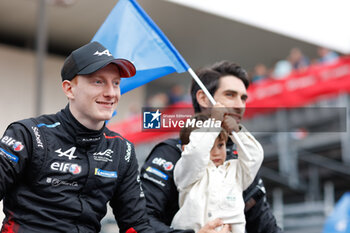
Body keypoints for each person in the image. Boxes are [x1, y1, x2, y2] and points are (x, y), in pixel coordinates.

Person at [0, 41, 155, 233]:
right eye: (98, 81)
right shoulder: (29, 134)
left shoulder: (122, 150)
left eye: (115, 83)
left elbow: (136, 225)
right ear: (69, 89)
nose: (111, 93)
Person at [140, 60, 283, 233]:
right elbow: (141, 220)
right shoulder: (171, 153)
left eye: (243, 97)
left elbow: (265, 225)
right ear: (203, 98)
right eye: (230, 95)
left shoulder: (239, 156)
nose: (240, 105)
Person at [171, 113, 263, 233]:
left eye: (220, 145)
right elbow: (196, 153)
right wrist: (214, 123)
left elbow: (254, 156)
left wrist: (236, 131)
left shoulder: (235, 171)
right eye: (209, 147)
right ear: (185, 150)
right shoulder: (187, 171)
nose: (216, 153)